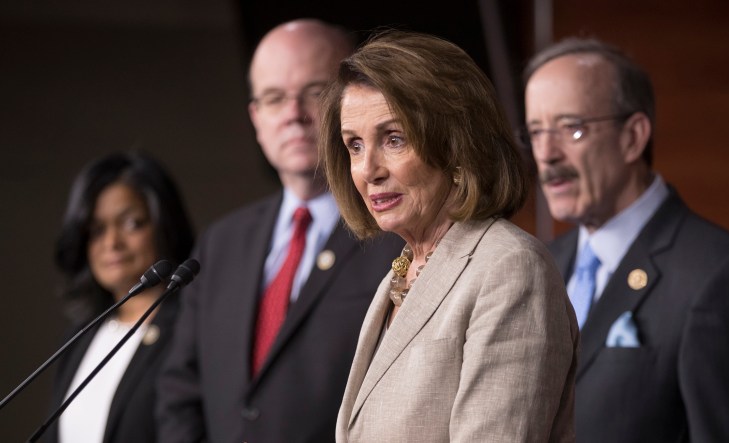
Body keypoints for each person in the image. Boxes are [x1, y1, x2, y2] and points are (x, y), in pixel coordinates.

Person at [319, 31, 578, 442]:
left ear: (456, 145)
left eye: (394, 139)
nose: (369, 169)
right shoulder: (401, 273)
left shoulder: (509, 268)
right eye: (354, 145)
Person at [155, 19, 403, 443]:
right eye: (274, 98)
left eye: (314, 92)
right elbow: (180, 391)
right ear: (255, 117)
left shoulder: (399, 233)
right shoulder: (220, 243)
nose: (294, 115)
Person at [520, 37, 729, 442]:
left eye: (572, 129)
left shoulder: (721, 274)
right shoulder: (539, 262)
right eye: (535, 132)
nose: (546, 154)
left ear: (632, 137)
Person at [48, 151, 194, 443]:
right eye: (96, 230)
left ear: (165, 224)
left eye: (132, 223)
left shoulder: (191, 330)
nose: (111, 243)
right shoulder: (80, 336)